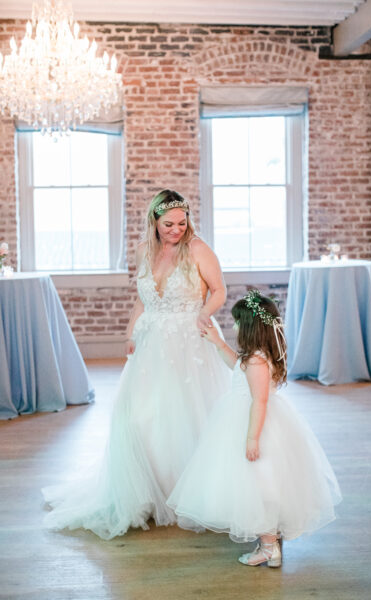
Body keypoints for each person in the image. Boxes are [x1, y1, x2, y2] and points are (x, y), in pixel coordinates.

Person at [42, 189, 232, 540]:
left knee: (186, 415)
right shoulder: (144, 250)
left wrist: (204, 313)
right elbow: (143, 297)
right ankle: (147, 492)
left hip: (190, 340)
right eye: (169, 224)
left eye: (182, 221)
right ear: (154, 222)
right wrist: (131, 332)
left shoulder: (199, 249)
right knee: (144, 417)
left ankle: (189, 492)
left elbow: (219, 289)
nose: (177, 229)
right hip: (151, 345)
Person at [167, 290, 342, 567]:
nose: (233, 326)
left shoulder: (257, 362)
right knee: (263, 484)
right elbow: (236, 366)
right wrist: (217, 343)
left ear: (249, 328)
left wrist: (252, 438)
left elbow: (259, 402)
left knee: (259, 486)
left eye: (237, 322)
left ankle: (269, 546)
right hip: (253, 421)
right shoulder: (255, 357)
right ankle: (270, 541)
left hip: (255, 425)